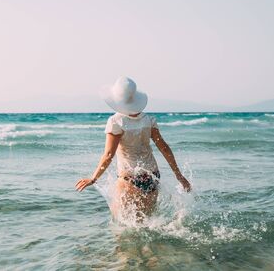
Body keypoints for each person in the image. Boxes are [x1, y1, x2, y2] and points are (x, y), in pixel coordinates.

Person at [75, 76, 191, 221]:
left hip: (129, 178)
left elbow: (109, 154)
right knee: (147, 224)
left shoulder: (116, 122)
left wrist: (94, 178)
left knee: (122, 226)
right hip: (152, 176)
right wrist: (179, 176)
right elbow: (165, 149)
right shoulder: (148, 120)